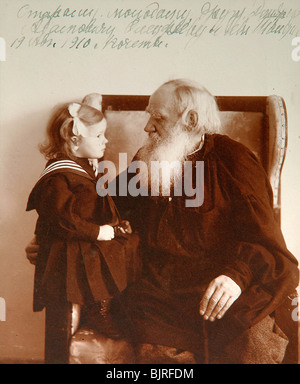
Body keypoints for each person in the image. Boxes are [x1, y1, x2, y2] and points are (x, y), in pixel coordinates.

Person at [26, 80, 299, 364]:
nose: (147, 127)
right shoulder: (147, 161)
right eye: (148, 116)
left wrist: (236, 277)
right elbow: (104, 207)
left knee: (251, 345)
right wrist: (47, 237)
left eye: (157, 118)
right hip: (161, 295)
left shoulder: (235, 161)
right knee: (157, 356)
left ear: (190, 120)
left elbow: (264, 239)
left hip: (222, 286)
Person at [26, 94, 141, 338]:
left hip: (85, 239)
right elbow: (61, 219)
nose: (105, 141)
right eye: (99, 136)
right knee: (108, 256)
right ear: (75, 141)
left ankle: (114, 309)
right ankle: (100, 313)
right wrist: (99, 231)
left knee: (129, 245)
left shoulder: (84, 165)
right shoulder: (58, 176)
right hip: (73, 246)